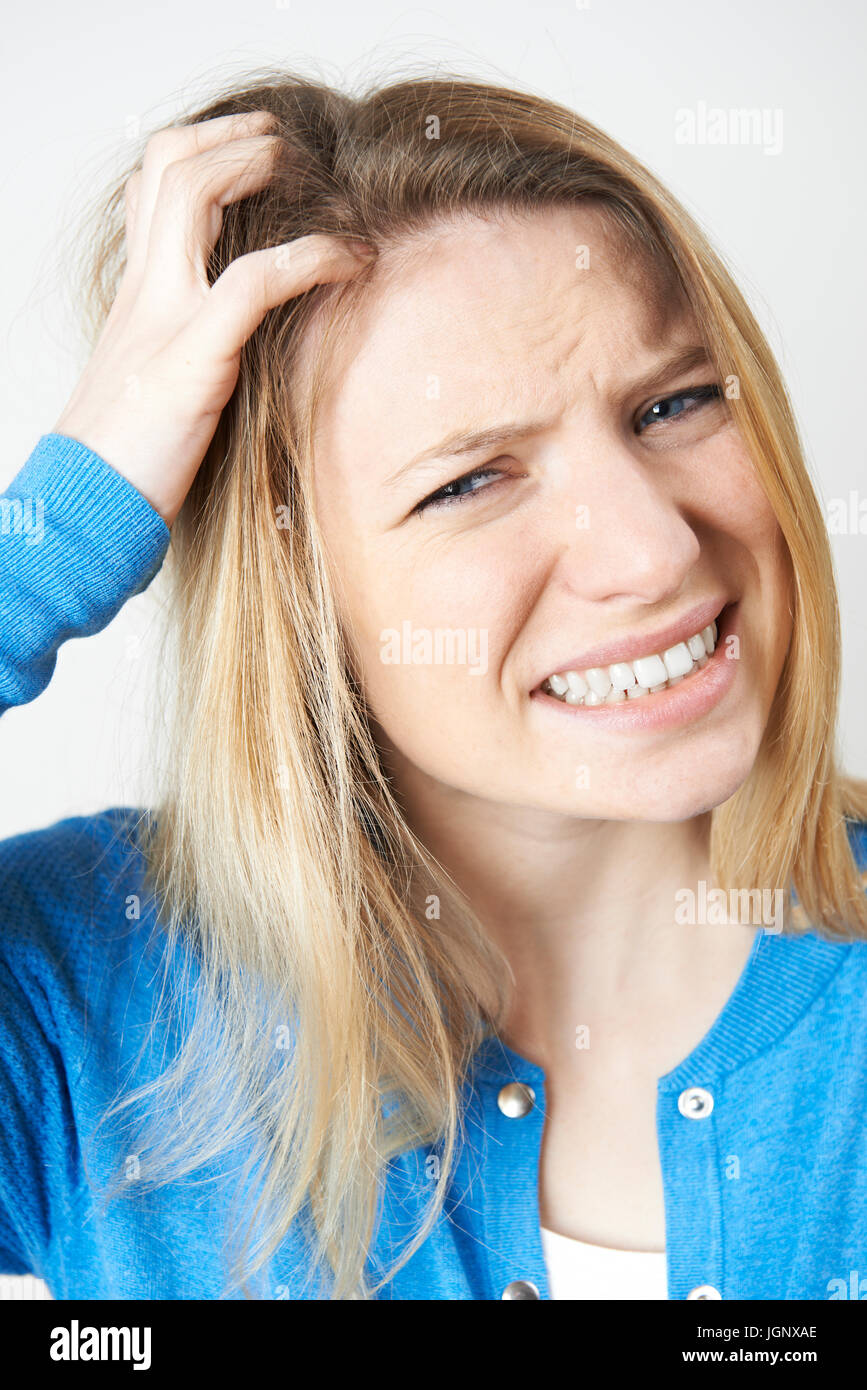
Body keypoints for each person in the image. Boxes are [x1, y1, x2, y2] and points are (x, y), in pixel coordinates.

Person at [1, 69, 865, 1302]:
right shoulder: (84, 1003)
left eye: (673, 404)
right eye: (470, 481)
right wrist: (65, 521)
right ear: (291, 592)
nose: (656, 550)